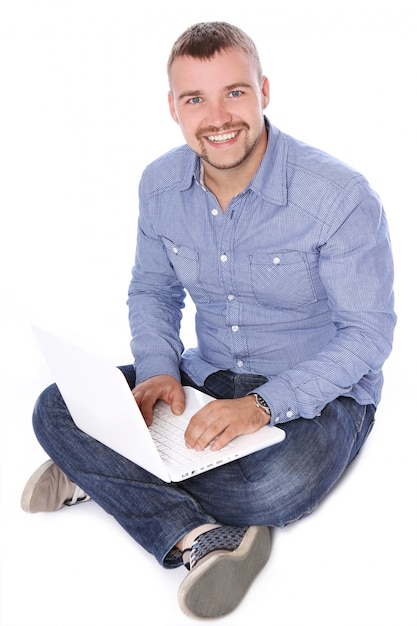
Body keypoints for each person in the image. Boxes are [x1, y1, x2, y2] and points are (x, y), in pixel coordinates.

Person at [21, 21, 396, 619]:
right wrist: (158, 371)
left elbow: (368, 336)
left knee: (277, 486)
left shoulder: (339, 196)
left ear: (264, 90)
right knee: (52, 405)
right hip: (207, 375)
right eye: (195, 98)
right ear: (173, 107)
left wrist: (262, 407)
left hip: (318, 398)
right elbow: (153, 290)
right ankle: (203, 538)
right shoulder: (161, 185)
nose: (218, 116)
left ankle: (107, 470)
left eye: (235, 93)